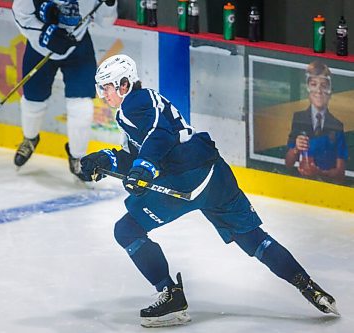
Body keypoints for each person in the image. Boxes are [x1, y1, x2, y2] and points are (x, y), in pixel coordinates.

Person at [79, 54, 339, 327]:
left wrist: (144, 167)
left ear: (124, 84)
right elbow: (140, 149)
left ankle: (171, 296)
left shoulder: (136, 102)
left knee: (127, 230)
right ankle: (308, 286)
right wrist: (104, 159)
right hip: (213, 174)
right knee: (252, 238)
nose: (103, 94)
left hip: (182, 180)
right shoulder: (141, 108)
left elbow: (160, 136)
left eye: (107, 86)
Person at [11, 0, 117, 178]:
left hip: (78, 46)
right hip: (39, 47)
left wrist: (109, 4)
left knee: (82, 106)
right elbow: (20, 13)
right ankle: (30, 138)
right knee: (33, 100)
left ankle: (78, 157)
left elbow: (105, 22)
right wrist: (46, 34)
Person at [285, 60, 348, 184]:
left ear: (330, 91)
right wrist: (296, 149)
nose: (318, 91)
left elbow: (340, 172)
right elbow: (288, 163)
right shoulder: (299, 118)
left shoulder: (337, 125)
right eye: (314, 84)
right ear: (308, 89)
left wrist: (318, 172)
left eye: (324, 86)